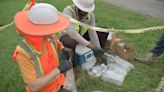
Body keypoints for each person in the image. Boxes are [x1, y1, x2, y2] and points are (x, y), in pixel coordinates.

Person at [13, 3, 73, 92]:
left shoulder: (49, 36)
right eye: (51, 28)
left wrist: (63, 48)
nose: (54, 31)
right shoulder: (23, 53)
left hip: (58, 83)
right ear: (41, 29)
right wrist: (59, 70)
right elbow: (33, 87)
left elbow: (56, 43)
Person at [60, 0, 107, 66]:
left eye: (87, 11)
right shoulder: (68, 11)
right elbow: (71, 32)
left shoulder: (90, 14)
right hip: (67, 37)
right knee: (70, 42)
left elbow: (92, 33)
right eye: (83, 10)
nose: (85, 12)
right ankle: (71, 63)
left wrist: (97, 48)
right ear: (77, 6)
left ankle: (99, 55)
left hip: (81, 35)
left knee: (102, 32)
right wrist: (91, 46)